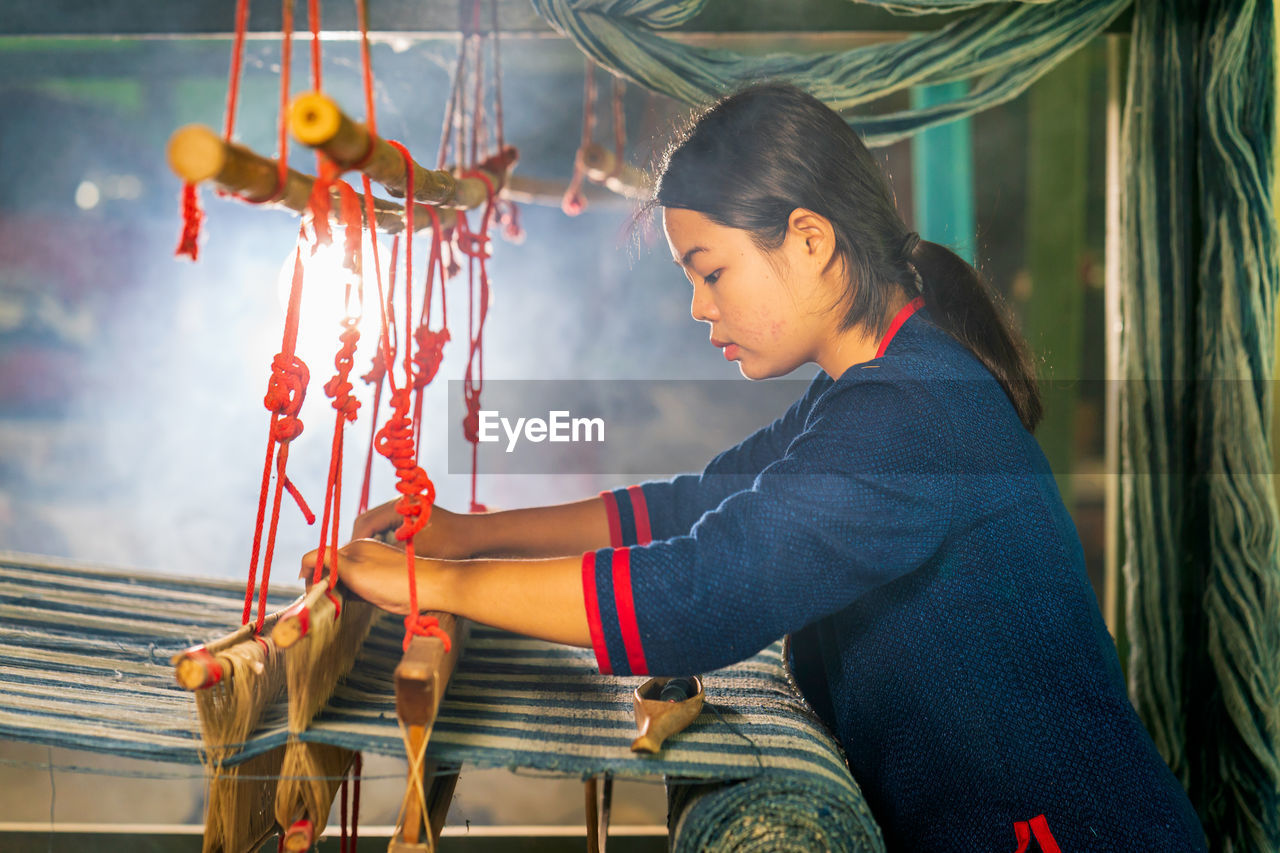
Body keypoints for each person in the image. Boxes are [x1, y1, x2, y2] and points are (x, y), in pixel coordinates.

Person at [303, 83, 1207, 851]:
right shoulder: (880, 380)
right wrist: (472, 533)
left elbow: (702, 591)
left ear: (809, 240)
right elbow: (700, 505)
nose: (700, 307)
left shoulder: (910, 408)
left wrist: (441, 582)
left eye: (712, 271)